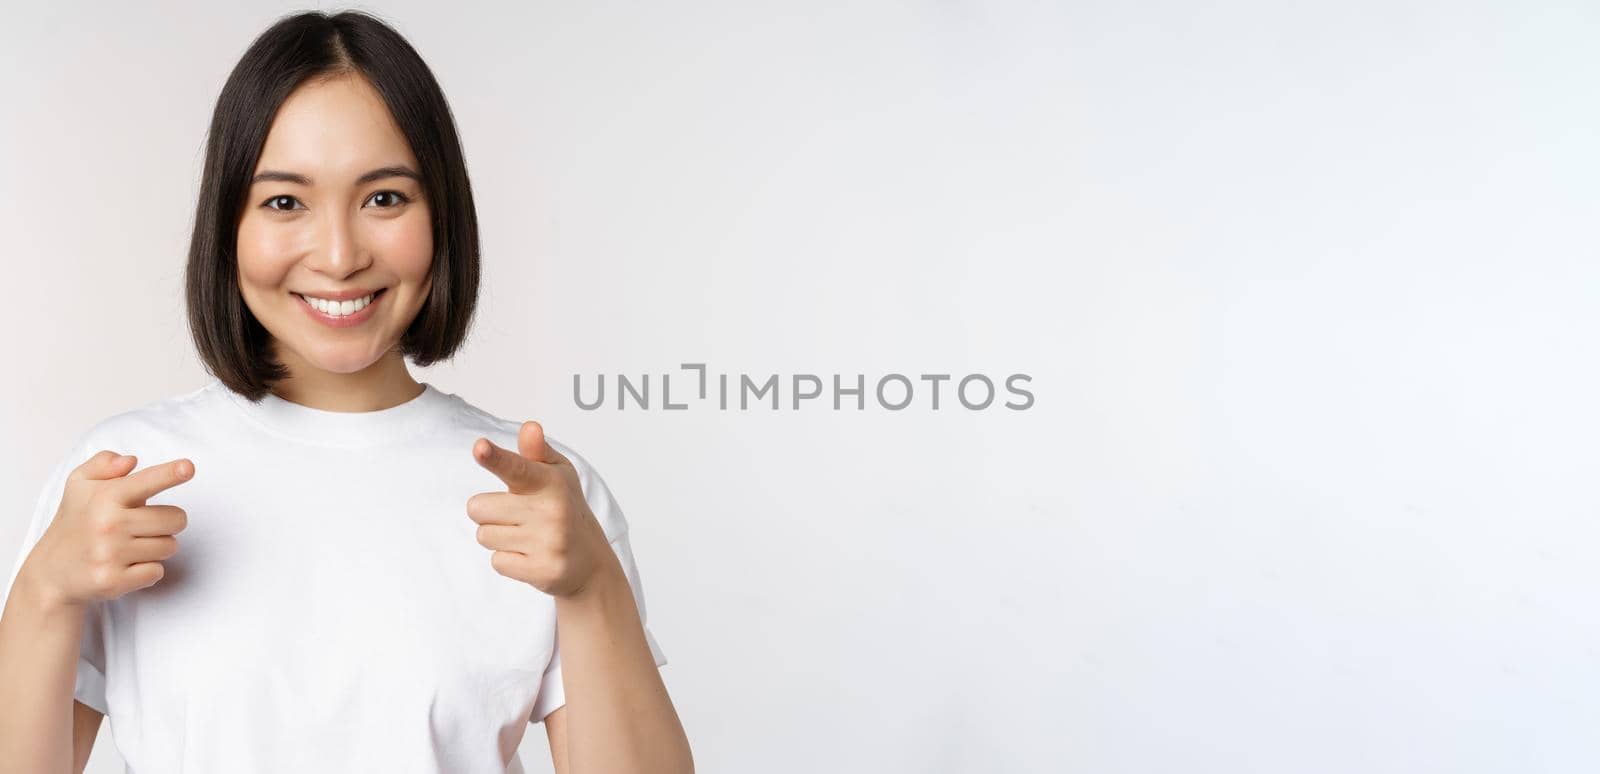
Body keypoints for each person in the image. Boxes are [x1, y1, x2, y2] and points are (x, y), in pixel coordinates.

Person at [0, 10, 693, 774]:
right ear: (227, 223)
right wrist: (44, 594)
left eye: (385, 198)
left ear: (442, 215)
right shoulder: (120, 479)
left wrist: (593, 585)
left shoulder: (541, 499)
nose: (338, 256)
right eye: (284, 202)